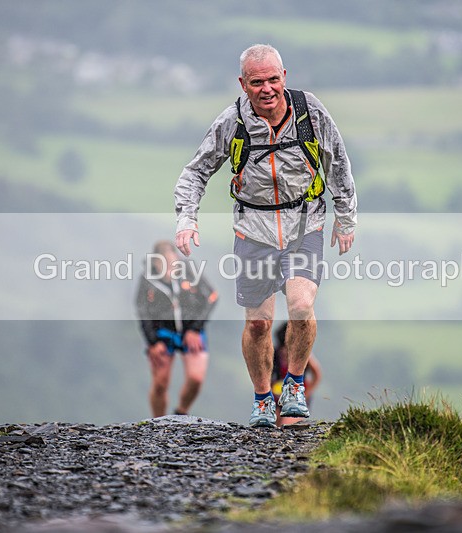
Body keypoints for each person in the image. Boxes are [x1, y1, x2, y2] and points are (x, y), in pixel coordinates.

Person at [174, 44, 357, 428]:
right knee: (258, 323)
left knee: (301, 305)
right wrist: (186, 220)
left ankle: (293, 386)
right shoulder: (232, 123)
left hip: (304, 221)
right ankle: (261, 399)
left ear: (284, 77)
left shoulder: (310, 113)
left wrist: (346, 217)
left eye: (274, 79)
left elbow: (337, 160)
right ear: (244, 84)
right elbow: (196, 172)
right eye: (258, 82)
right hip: (252, 229)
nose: (267, 89)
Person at [135, 240, 218, 418]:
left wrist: (195, 329)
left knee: (196, 378)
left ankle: (181, 412)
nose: (171, 268)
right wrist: (153, 342)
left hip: (192, 329)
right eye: (165, 263)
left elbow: (211, 297)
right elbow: (142, 311)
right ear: (156, 262)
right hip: (162, 333)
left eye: (174, 262)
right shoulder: (147, 278)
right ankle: (157, 422)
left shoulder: (189, 271)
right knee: (160, 383)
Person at [271, 322, 322, 427]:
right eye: (283, 349)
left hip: (297, 396)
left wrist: (306, 395)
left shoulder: (304, 354)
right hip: (277, 396)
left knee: (287, 424)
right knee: (273, 425)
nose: (285, 353)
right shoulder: (274, 355)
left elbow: (317, 374)